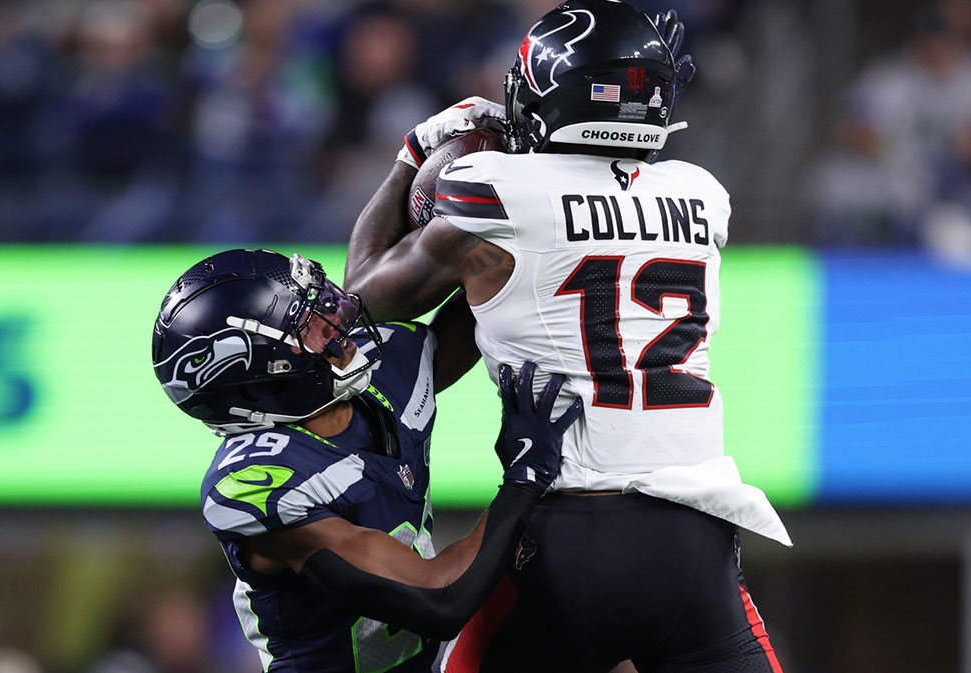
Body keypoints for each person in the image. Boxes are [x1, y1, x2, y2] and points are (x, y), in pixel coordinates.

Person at [344, 2, 791, 672]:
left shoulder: (497, 189)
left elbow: (362, 293)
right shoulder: (702, 193)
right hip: (695, 537)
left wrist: (412, 154)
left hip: (568, 532)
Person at [150, 248, 581, 672]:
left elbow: (492, 290)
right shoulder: (258, 480)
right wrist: (524, 479)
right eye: (311, 326)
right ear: (265, 374)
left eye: (322, 305)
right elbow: (439, 598)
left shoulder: (379, 376)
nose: (337, 320)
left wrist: (499, 233)